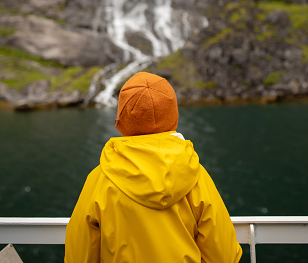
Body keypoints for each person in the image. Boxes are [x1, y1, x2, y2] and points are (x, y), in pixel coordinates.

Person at [64, 71, 242, 263]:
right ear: (174, 118)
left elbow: (78, 255)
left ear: (121, 123)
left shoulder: (100, 178)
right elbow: (224, 255)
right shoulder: (195, 174)